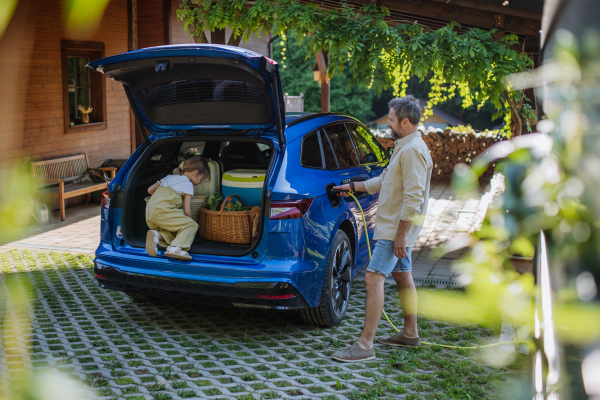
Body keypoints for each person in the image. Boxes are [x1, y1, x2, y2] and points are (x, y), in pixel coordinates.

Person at [331, 95, 433, 362]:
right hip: (396, 228)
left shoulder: (412, 151)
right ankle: (410, 333)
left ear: (406, 121)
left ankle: (365, 345)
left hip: (395, 229)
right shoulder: (404, 146)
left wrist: (401, 236)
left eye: (391, 119)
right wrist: (352, 187)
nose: (387, 123)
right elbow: (384, 180)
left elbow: (413, 198)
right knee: (402, 275)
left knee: (373, 278)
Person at [145, 155, 210, 261]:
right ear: (196, 173)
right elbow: (187, 209)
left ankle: (157, 235)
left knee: (175, 235)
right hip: (163, 212)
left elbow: (150, 190)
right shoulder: (187, 184)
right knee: (191, 225)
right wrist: (189, 226)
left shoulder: (169, 177)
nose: (200, 182)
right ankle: (175, 248)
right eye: (201, 179)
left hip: (149, 212)